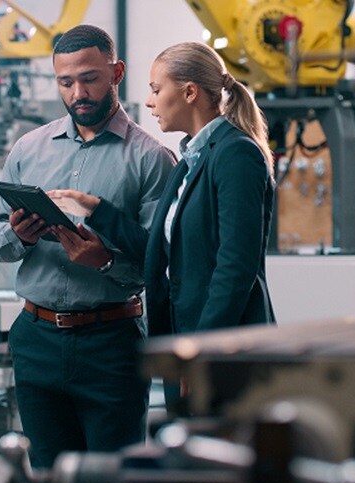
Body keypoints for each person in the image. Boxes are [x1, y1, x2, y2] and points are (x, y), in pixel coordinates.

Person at [0, 25, 176, 469]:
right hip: (36, 339)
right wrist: (19, 235)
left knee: (110, 482)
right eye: (65, 82)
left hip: (111, 344)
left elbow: (160, 264)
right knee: (48, 479)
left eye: (89, 79)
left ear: (116, 73)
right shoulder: (28, 149)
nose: (78, 94)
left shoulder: (151, 160)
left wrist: (105, 261)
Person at [50, 41, 276, 402]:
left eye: (156, 89)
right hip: (183, 340)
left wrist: (201, 351)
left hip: (222, 348)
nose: (149, 102)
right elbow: (159, 253)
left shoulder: (236, 154)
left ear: (189, 92)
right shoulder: (189, 160)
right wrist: (95, 209)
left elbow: (236, 267)